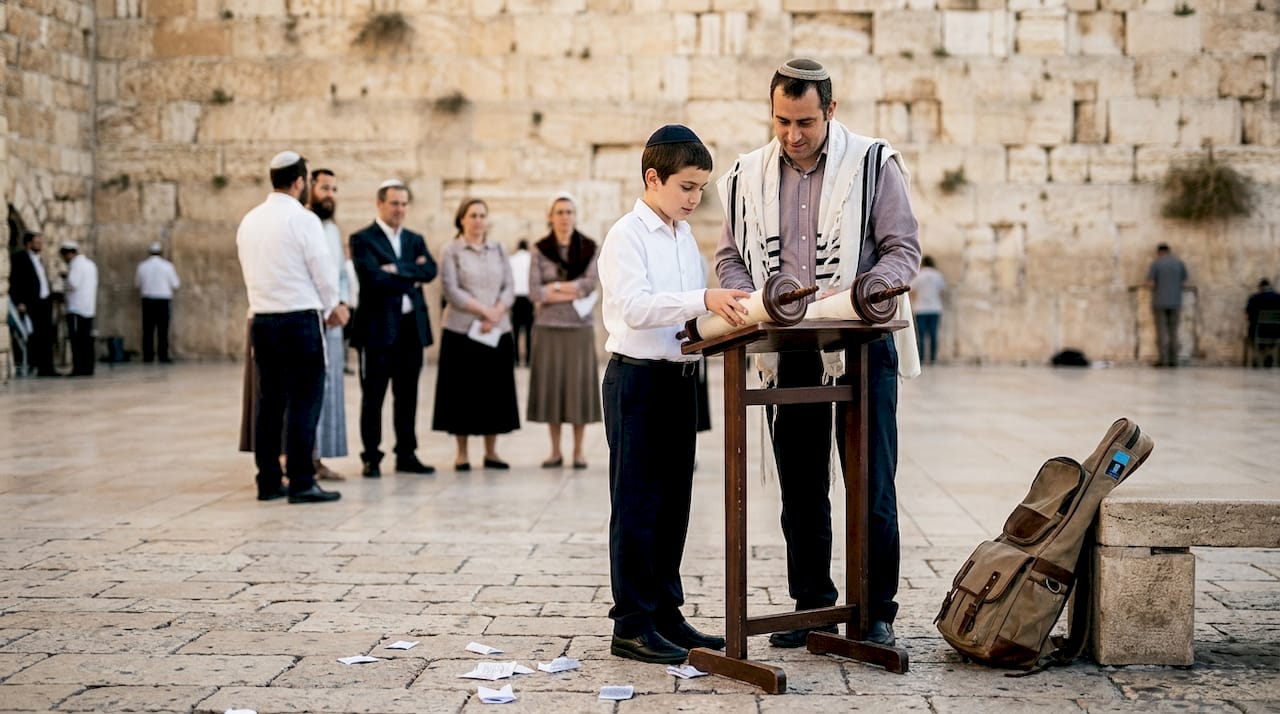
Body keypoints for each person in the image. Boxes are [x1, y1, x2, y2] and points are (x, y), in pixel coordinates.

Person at [714, 58, 921, 648]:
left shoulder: (873, 164)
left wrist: (862, 292)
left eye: (805, 121)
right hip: (787, 347)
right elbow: (729, 257)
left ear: (831, 110)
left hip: (860, 340)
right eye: (782, 121)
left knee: (871, 479)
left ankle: (874, 609)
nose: (792, 135)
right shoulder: (746, 175)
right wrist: (752, 298)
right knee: (800, 481)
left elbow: (903, 251)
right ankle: (811, 605)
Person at [598, 123, 750, 664]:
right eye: (686, 186)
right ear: (653, 178)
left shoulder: (684, 236)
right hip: (637, 381)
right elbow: (635, 307)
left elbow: (686, 313)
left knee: (673, 506)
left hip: (681, 380)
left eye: (701, 189)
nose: (695, 198)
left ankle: (665, 612)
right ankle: (631, 624)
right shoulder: (627, 236)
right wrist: (703, 297)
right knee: (637, 505)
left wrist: (723, 317)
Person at [235, 150, 346, 504]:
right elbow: (322, 270)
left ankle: (268, 481)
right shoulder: (303, 220)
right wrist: (334, 306)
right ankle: (301, 480)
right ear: (300, 182)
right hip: (299, 319)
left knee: (269, 403)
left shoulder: (249, 220)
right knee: (304, 400)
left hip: (263, 320)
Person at [349, 180, 438, 478]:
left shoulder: (415, 239)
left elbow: (430, 271)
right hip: (377, 330)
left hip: (410, 329)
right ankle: (371, 456)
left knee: (408, 395)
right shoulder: (362, 239)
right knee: (373, 396)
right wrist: (409, 272)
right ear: (380, 204)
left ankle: (406, 453)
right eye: (394, 203)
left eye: (403, 204)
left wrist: (396, 268)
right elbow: (372, 278)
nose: (399, 209)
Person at [432, 198, 520, 470]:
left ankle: (491, 451)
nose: (478, 220)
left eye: (482, 215)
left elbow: (509, 285)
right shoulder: (451, 250)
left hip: (496, 330)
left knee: (494, 392)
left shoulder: (498, 249)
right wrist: (484, 311)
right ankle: (462, 453)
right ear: (462, 219)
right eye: (473, 215)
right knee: (462, 393)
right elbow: (451, 289)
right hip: (462, 331)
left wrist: (497, 312)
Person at [527, 193, 602, 470]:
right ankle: (555, 450)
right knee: (553, 389)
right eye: (559, 212)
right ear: (550, 216)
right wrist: (568, 288)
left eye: (569, 211)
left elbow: (589, 285)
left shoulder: (590, 247)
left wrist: (554, 289)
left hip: (578, 328)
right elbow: (535, 291)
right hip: (548, 328)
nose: (564, 217)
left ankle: (579, 451)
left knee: (578, 388)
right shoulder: (540, 249)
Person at [308, 168, 351, 480]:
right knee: (305, 391)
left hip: (335, 320)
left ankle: (318, 457)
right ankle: (297, 458)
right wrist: (328, 305)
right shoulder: (303, 224)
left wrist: (343, 304)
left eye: (334, 189)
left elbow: (340, 274)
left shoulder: (333, 231)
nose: (330, 195)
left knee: (328, 389)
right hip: (312, 315)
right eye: (325, 188)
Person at [8, 231, 56, 376]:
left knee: (47, 335)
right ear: (28, 244)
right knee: (35, 335)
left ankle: (47, 368)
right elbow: (15, 281)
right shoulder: (20, 258)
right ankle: (37, 365)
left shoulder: (39, 259)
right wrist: (19, 302)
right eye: (37, 243)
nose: (40, 245)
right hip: (31, 302)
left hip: (44, 302)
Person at [134, 241, 181, 363]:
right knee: (163, 329)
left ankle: (148, 356)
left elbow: (137, 284)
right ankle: (163, 355)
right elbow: (176, 284)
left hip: (148, 300)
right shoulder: (168, 266)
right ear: (161, 253)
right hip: (163, 301)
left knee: (148, 329)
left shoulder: (142, 266)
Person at [1145, 242, 1189, 367]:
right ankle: (1173, 360)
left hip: (1160, 302)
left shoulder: (1156, 263)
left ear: (1159, 252)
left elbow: (1151, 283)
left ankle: (1163, 360)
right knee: (1173, 332)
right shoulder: (1179, 263)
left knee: (1161, 332)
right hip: (1176, 301)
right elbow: (1184, 282)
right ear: (1169, 251)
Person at [59, 241, 99, 377]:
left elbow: (73, 284)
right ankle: (88, 368)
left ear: (69, 253)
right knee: (87, 340)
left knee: (77, 341)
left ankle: (78, 368)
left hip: (76, 308)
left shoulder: (76, 265)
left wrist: (65, 278)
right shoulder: (90, 264)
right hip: (89, 308)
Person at [911, 255, 945, 364]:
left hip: (921, 308)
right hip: (935, 308)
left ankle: (920, 358)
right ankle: (932, 358)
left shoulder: (919, 275)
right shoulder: (938, 275)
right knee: (933, 334)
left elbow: (912, 291)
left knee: (920, 335)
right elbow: (942, 292)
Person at [509, 239, 534, 367]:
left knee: (516, 330)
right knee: (529, 331)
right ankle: (529, 360)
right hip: (529, 298)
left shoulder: (511, 260)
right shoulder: (531, 259)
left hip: (516, 298)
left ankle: (516, 360)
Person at [1246, 278, 1280, 367]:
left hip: (1258, 331)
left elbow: (1248, 313)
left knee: (1252, 332)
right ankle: (1269, 354)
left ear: (1260, 287)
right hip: (1275, 332)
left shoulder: (1254, 298)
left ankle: (1256, 358)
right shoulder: (1278, 298)